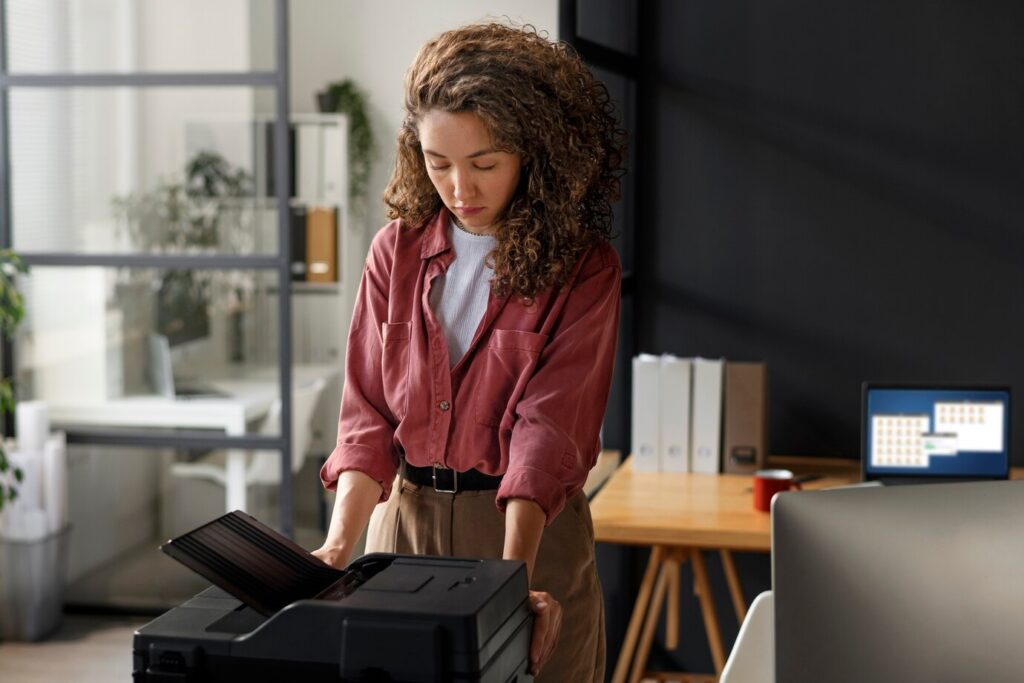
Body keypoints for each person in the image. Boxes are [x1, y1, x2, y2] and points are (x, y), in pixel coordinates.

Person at [313, 22, 624, 681]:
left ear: (535, 151)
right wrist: (338, 547)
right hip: (400, 528)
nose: (459, 188)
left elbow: (549, 431)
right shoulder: (393, 254)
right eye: (438, 162)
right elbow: (366, 416)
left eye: (484, 163)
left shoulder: (582, 269)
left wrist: (512, 581)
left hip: (525, 539)